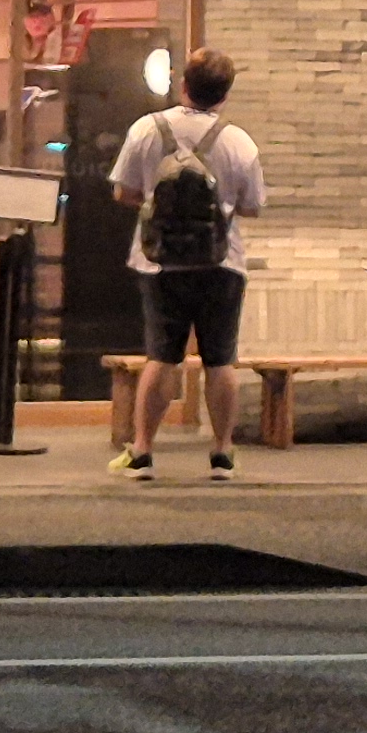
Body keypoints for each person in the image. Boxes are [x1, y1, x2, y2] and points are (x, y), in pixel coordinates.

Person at [107, 46, 264, 480]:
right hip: (222, 263)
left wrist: (157, 202)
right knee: (220, 359)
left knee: (161, 357)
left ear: (182, 85)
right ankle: (222, 454)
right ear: (225, 94)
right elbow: (252, 206)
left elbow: (123, 191)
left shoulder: (147, 129)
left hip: (159, 263)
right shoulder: (238, 141)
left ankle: (142, 452)